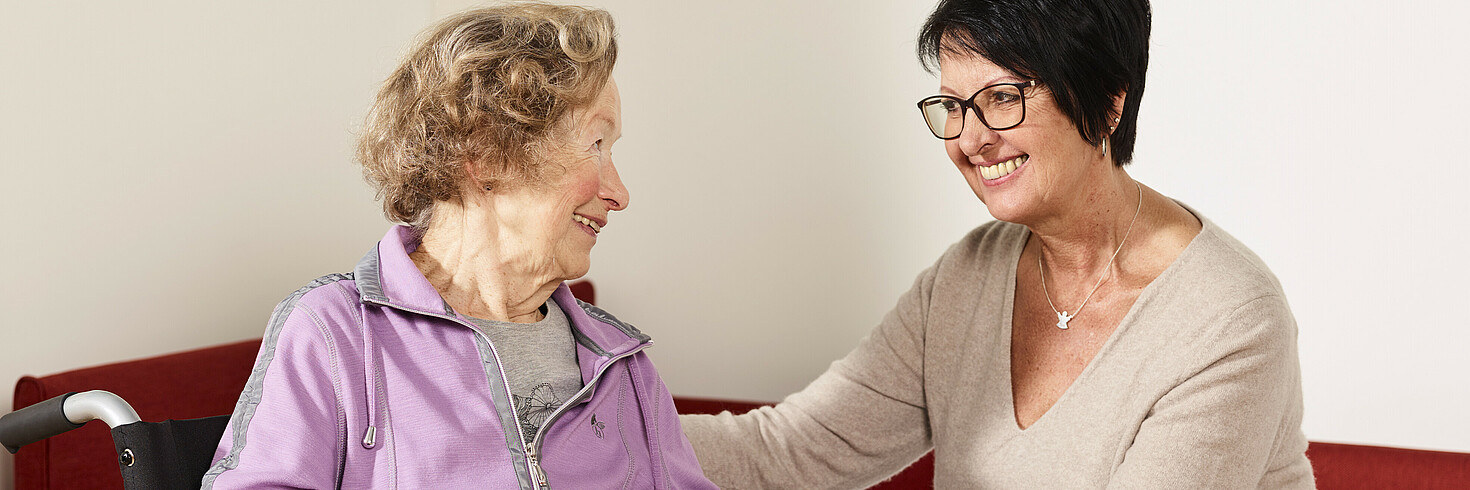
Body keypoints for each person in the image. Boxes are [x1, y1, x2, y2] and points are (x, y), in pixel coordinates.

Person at [679, 0, 1314, 488]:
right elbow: (793, 449)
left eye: (1004, 97)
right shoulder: (968, 277)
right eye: (954, 105)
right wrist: (594, 430)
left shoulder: (1229, 319)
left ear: (1109, 103)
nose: (970, 139)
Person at [202, 4, 716, 488]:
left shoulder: (620, 363)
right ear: (488, 153)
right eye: (596, 145)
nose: (618, 193)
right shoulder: (336, 335)